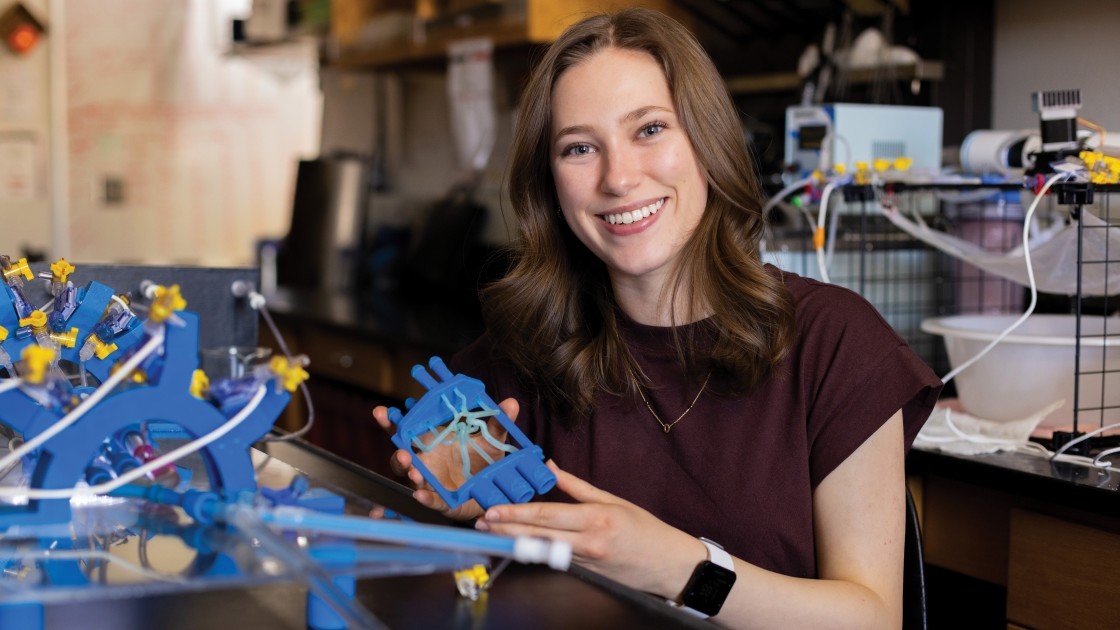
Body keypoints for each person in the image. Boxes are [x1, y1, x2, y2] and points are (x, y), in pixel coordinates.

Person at [373, 7, 942, 628]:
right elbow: (455, 575)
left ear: (706, 140)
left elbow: (873, 619)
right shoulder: (520, 354)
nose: (618, 178)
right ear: (551, 183)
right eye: (580, 147)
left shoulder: (836, 343)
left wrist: (683, 569)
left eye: (648, 130)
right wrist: (457, 516)